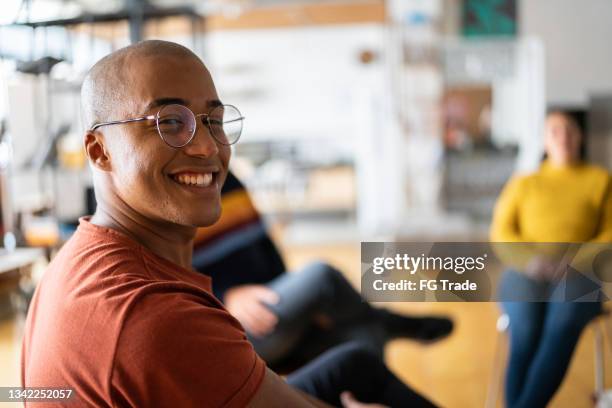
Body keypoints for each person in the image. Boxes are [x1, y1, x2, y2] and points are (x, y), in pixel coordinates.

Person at [21, 40, 437, 407]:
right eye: (169, 122)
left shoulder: (81, 256)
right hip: (220, 328)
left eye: (213, 121)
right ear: (100, 151)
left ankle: (380, 325)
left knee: (356, 361)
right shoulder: (155, 317)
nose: (205, 146)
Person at [192, 171, 454, 370]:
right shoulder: (170, 201)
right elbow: (168, 284)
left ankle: (381, 328)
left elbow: (266, 247)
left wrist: (303, 305)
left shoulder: (229, 180)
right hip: (234, 324)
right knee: (321, 276)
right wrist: (224, 296)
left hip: (274, 306)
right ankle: (389, 320)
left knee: (364, 336)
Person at [490, 110, 611, 408]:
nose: (564, 137)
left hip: (581, 273)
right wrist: (531, 262)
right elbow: (501, 233)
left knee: (562, 326)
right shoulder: (524, 182)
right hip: (526, 270)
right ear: (544, 141)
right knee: (526, 331)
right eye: (555, 131)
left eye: (570, 130)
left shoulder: (600, 179)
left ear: (580, 136)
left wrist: (576, 261)